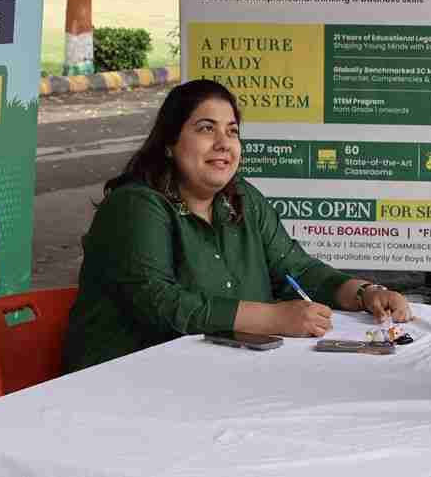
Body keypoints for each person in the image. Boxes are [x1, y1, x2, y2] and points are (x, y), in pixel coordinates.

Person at [60, 79, 413, 373]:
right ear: (169, 143)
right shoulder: (135, 206)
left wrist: (365, 293)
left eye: (232, 131)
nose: (223, 143)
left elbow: (298, 269)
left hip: (219, 374)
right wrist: (272, 318)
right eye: (206, 129)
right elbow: (161, 304)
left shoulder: (240, 197)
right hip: (123, 382)